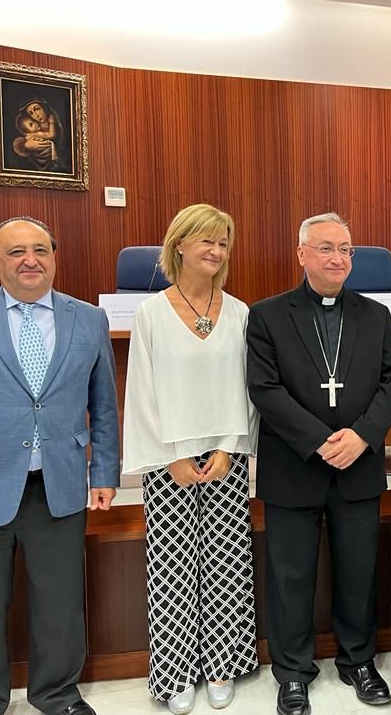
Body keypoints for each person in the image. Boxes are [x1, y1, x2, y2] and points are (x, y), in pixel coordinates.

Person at [0, 216, 119, 715]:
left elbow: (104, 405)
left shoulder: (88, 319)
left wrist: (104, 475)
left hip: (59, 483)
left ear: (55, 256)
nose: (30, 260)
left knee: (60, 604)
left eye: (40, 249)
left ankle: (58, 694)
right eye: (15, 252)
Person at [246, 213, 391, 715]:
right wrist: (318, 440)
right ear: (302, 254)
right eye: (326, 248)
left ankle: (359, 662)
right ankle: (292, 672)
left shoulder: (376, 315)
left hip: (358, 462)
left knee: (358, 571)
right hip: (294, 463)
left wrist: (361, 436)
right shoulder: (268, 315)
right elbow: (264, 388)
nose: (339, 259)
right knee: (290, 574)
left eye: (347, 250)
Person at [122, 204, 260, 713]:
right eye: (205, 240)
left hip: (226, 454)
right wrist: (171, 456)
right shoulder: (151, 312)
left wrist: (229, 449)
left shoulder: (241, 312)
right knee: (172, 568)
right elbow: (141, 390)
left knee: (227, 563)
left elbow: (248, 388)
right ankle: (176, 672)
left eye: (223, 242)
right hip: (170, 461)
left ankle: (222, 662)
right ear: (179, 244)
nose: (215, 251)